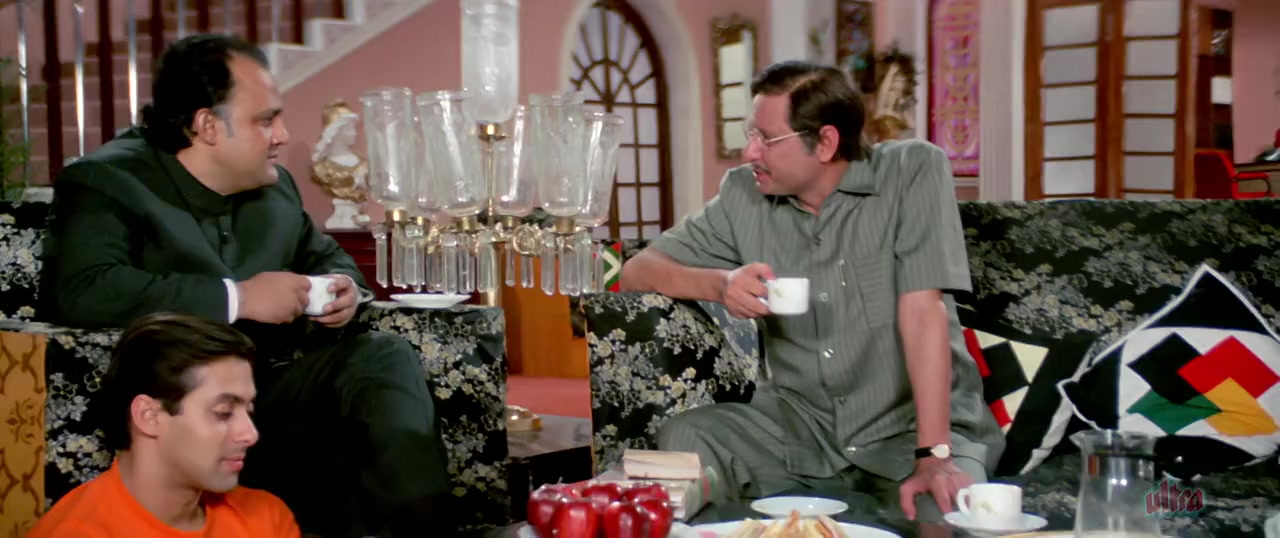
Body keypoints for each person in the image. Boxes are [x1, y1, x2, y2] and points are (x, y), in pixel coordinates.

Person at [39, 33, 452, 537]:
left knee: (382, 356)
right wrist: (239, 298)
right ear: (207, 125)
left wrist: (342, 287)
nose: (282, 135)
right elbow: (83, 289)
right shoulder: (106, 181)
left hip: (273, 394)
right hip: (180, 415)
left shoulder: (274, 188)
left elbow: (328, 258)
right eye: (265, 120)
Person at [618, 60, 1005, 524]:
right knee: (687, 437)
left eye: (767, 139)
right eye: (750, 134)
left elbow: (923, 311)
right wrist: (721, 285)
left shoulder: (912, 170)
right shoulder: (742, 195)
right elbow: (637, 272)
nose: (749, 152)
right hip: (800, 426)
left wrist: (934, 454)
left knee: (945, 512)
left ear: (825, 142)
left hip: (911, 429)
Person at [26, 313, 300, 537]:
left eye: (249, 411)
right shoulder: (75, 531)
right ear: (149, 416)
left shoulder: (266, 517)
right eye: (224, 413)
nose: (250, 434)